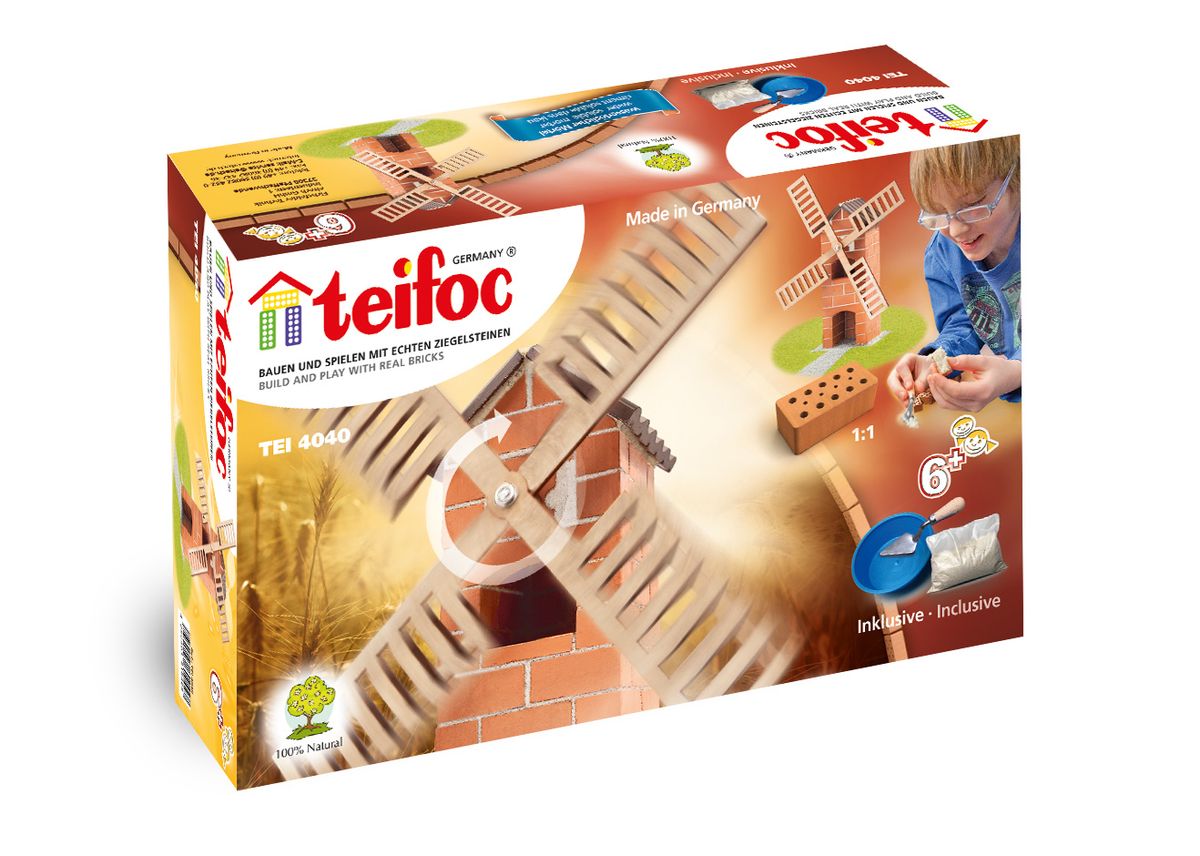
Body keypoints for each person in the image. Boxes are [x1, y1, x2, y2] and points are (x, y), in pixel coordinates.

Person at [887, 138, 1021, 412]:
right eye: (937, 213)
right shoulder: (942, 254)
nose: (957, 231)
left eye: (973, 205)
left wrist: (1019, 371)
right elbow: (963, 319)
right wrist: (938, 358)